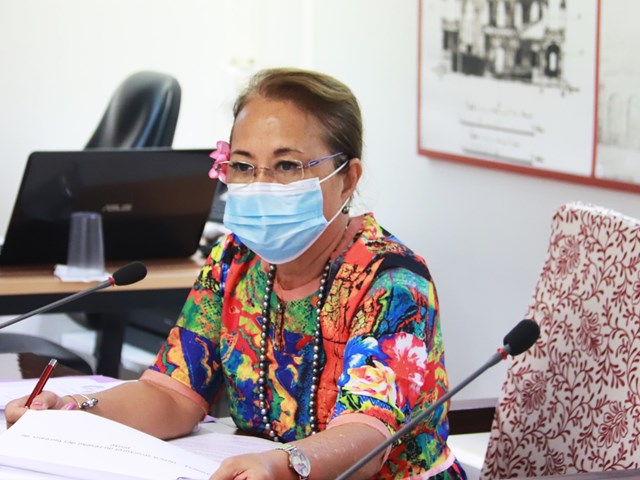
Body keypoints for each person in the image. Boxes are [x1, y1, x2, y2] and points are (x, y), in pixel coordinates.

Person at [6, 68, 466, 480]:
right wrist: (75, 412)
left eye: (287, 165)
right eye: (243, 166)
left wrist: (281, 464)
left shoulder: (392, 282)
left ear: (347, 178)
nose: (260, 183)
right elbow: (173, 395)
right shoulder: (234, 260)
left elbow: (367, 442)